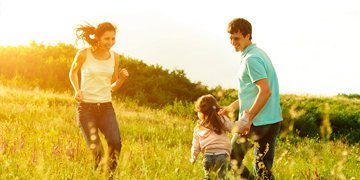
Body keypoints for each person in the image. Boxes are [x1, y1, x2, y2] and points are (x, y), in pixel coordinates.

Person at [219, 18, 283, 179]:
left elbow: (265, 92)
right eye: (231, 38)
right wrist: (230, 108)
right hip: (272, 121)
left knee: (229, 158)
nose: (233, 42)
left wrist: (248, 119)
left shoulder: (251, 59)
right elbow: (253, 93)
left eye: (237, 38)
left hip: (255, 123)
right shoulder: (258, 53)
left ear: (248, 36)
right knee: (264, 171)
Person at [69, 22, 129, 173]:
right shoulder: (84, 53)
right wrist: (77, 90)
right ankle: (99, 175)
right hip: (86, 108)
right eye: (106, 39)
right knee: (97, 150)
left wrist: (121, 79)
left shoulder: (115, 57)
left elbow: (112, 86)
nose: (110, 43)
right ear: (97, 38)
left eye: (113, 39)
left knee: (115, 143)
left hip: (105, 107)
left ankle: (109, 175)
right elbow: (72, 73)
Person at [190, 94, 250, 180]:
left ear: (200, 112)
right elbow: (235, 129)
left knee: (208, 177)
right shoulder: (222, 119)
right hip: (222, 155)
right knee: (224, 177)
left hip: (207, 157)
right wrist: (245, 117)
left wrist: (193, 158)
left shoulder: (198, 127)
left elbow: (195, 146)